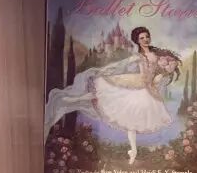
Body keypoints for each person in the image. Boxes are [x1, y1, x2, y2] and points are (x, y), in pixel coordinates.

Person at [44, 26, 180, 165]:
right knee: (106, 93)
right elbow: (121, 65)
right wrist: (105, 70)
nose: (145, 39)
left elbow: (163, 68)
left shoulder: (157, 55)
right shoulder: (137, 56)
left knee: (132, 121)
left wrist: (165, 71)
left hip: (148, 87)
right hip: (137, 82)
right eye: (142, 38)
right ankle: (76, 98)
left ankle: (133, 151)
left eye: (147, 37)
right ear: (137, 41)